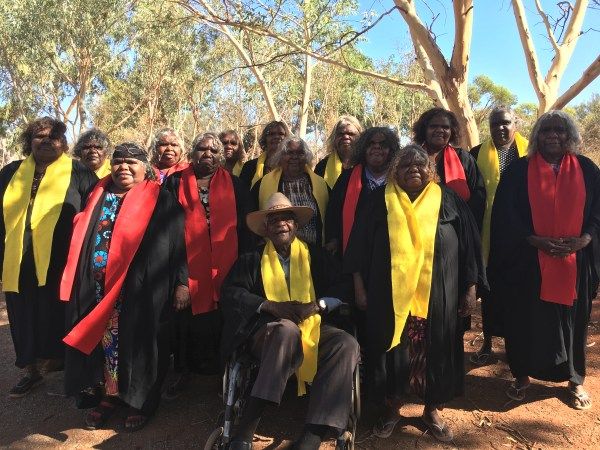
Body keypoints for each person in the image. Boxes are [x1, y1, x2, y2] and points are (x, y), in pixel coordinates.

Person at [344, 144, 485, 442]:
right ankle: (392, 409)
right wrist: (359, 287)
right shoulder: (378, 201)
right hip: (388, 296)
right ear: (396, 170)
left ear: (430, 170)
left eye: (419, 165)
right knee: (392, 351)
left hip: (438, 296)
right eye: (406, 165)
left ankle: (431, 410)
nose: (413, 169)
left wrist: (470, 289)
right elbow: (357, 248)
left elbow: (469, 247)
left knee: (436, 350)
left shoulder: (448, 200)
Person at [61, 142, 188, 431]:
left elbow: (181, 245)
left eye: (132, 162)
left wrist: (183, 283)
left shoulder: (162, 199)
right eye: (118, 161)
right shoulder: (97, 195)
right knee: (107, 345)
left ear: (146, 168)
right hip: (97, 290)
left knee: (139, 343)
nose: (124, 167)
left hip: (141, 290)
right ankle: (109, 397)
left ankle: (139, 401)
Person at [220, 193, 359, 450]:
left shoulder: (316, 256)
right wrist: (270, 306)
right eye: (274, 220)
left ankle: (311, 437)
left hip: (313, 326)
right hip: (267, 333)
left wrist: (318, 305)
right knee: (285, 330)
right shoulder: (251, 259)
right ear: (266, 228)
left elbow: (343, 285)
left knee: (346, 344)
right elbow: (231, 293)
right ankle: (245, 431)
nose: (281, 224)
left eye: (287, 218)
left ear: (296, 225)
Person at [489, 111, 599, 410]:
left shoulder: (588, 169)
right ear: (537, 135)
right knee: (525, 319)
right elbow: (505, 215)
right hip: (529, 262)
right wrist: (533, 239)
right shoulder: (518, 171)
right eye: (546, 130)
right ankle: (522, 376)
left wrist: (586, 239)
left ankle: (574, 380)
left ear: (570, 136)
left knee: (574, 321)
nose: (553, 135)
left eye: (560, 130)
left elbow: (598, 212)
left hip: (575, 262)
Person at [0, 117, 97, 397]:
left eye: (53, 137)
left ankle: (64, 372)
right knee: (23, 316)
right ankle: (31, 370)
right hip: (18, 261)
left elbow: (92, 216)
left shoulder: (79, 173)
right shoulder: (10, 173)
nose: (46, 141)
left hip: (63, 263)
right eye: (39, 136)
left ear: (64, 144)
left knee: (59, 315)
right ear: (29, 140)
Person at [163, 132, 250, 396]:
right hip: (186, 267)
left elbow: (247, 230)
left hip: (227, 266)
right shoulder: (174, 183)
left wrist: (243, 274)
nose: (208, 154)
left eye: (214, 151)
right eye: (202, 149)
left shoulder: (235, 185)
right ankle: (184, 372)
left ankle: (223, 375)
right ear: (192, 152)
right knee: (186, 321)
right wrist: (181, 280)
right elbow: (168, 234)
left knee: (224, 320)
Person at [470, 106, 529, 365]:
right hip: (488, 235)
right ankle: (487, 342)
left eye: (505, 123)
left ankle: (519, 346)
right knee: (490, 291)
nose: (500, 129)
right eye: (495, 124)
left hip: (522, 235)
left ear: (515, 124)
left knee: (520, 293)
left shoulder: (530, 153)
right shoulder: (475, 155)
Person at [325, 126, 400, 257]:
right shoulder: (347, 178)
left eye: (383, 144)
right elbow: (333, 211)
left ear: (392, 150)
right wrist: (334, 239)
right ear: (363, 149)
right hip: (354, 251)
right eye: (371, 144)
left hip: (391, 250)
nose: (377, 147)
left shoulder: (400, 179)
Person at [412, 107, 486, 228]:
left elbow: (479, 194)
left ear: (452, 132)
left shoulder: (463, 157)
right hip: (419, 225)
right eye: (433, 126)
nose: (440, 130)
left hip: (457, 228)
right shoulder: (412, 158)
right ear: (424, 130)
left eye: (445, 127)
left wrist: (466, 223)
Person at [250, 136, 329, 246]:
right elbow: (254, 217)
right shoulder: (262, 184)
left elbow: (331, 216)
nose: (294, 157)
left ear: (306, 157)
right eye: (289, 153)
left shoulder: (320, 183)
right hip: (277, 253)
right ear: (280, 157)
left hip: (314, 253)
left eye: (300, 153)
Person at [239, 121, 291, 188]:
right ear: (265, 138)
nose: (276, 137)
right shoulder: (249, 166)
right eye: (272, 134)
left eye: (281, 134)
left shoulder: (292, 165)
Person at [315, 116, 363, 188]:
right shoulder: (322, 167)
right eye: (341, 134)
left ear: (360, 137)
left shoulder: (368, 165)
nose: (346, 137)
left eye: (351, 134)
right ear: (334, 138)